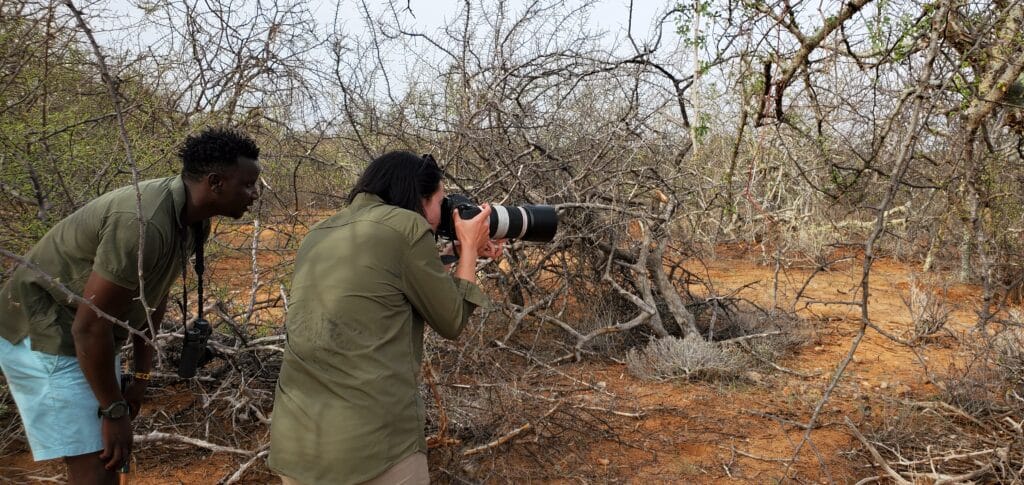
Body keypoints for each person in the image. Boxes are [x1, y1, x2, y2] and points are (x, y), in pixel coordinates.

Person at [0, 127, 261, 484]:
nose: (254, 194)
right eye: (247, 185)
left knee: (114, 461)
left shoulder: (192, 221)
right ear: (215, 182)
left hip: (83, 333)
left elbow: (151, 296)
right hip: (42, 332)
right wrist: (114, 409)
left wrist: (140, 377)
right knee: (100, 468)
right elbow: (89, 327)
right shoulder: (143, 222)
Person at [268, 151, 503, 484]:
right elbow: (451, 321)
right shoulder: (408, 226)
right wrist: (467, 248)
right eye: (440, 202)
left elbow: (386, 281)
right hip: (371, 446)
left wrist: (457, 257)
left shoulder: (319, 232)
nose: (442, 215)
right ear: (417, 198)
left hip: (296, 440)